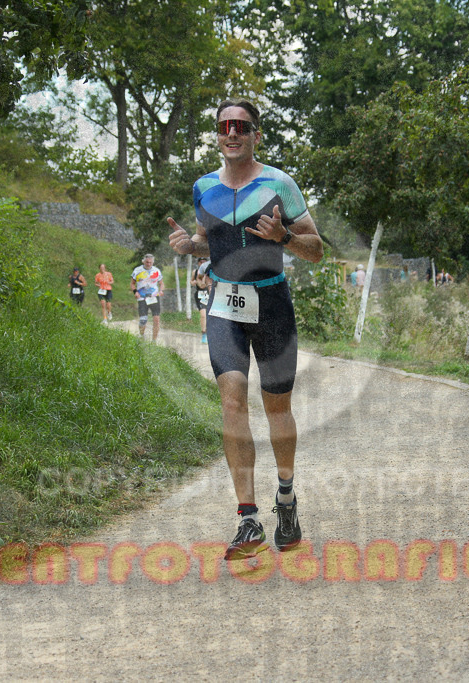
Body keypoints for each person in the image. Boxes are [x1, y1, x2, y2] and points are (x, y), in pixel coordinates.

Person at [166, 98, 324, 560]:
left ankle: (287, 499)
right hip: (224, 307)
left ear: (256, 134)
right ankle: (248, 518)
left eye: (241, 126)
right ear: (216, 134)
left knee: (277, 408)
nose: (231, 133)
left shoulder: (280, 184)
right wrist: (188, 246)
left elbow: (316, 250)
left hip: (272, 303)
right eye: (223, 126)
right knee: (232, 400)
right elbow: (210, 244)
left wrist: (285, 238)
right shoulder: (204, 187)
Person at [130, 254, 164, 341]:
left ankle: (154, 341)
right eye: (147, 262)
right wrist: (135, 292)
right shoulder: (137, 270)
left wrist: (161, 290)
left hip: (154, 297)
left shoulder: (156, 271)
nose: (148, 264)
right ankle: (141, 335)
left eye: (150, 262)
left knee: (156, 320)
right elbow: (132, 283)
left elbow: (161, 283)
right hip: (142, 298)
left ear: (153, 262)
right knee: (143, 320)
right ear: (143, 261)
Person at [191, 257, 212, 343]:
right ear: (198, 263)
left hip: (209, 293)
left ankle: (212, 333)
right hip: (200, 294)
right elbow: (192, 281)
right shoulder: (195, 272)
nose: (202, 263)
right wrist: (194, 282)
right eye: (201, 262)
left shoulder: (210, 270)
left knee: (211, 315)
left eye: (204, 261)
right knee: (203, 315)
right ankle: (204, 333)